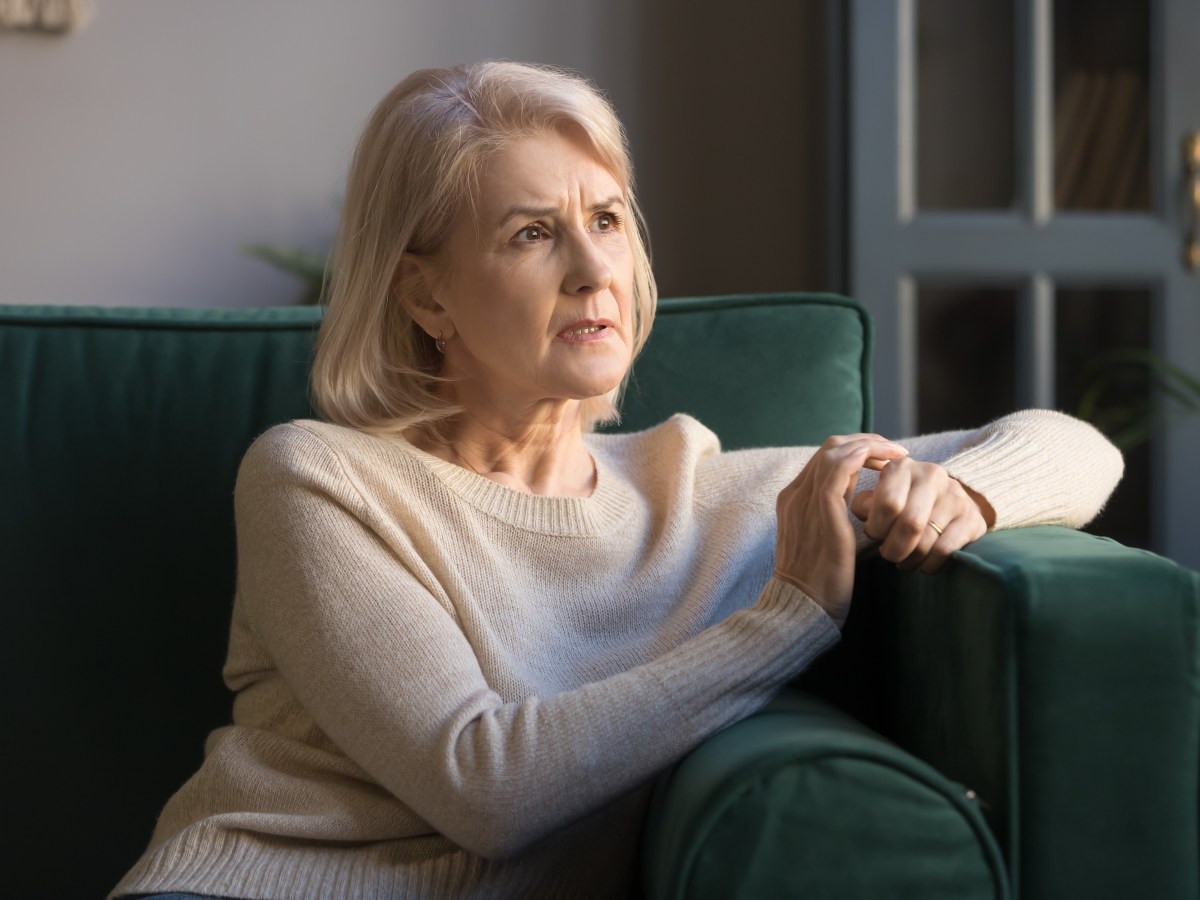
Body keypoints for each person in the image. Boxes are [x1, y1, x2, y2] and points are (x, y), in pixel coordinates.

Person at [112, 60, 1123, 900]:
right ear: (425, 293)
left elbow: (1081, 448)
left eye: (607, 218)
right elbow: (485, 786)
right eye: (532, 232)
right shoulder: (317, 480)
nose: (596, 270)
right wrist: (787, 620)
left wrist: (969, 494)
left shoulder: (696, 492)